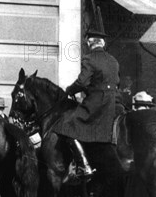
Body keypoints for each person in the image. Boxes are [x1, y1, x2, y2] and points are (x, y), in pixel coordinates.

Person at [51, 27, 120, 181]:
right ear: (102, 43)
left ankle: (83, 164)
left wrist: (69, 90)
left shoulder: (89, 59)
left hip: (95, 104)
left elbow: (82, 82)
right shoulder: (114, 61)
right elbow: (117, 82)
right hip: (110, 105)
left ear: (90, 43)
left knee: (65, 125)